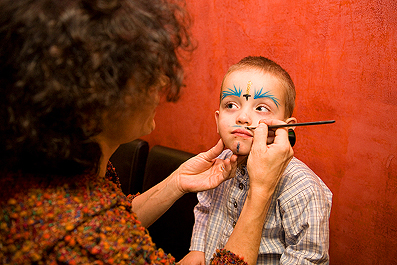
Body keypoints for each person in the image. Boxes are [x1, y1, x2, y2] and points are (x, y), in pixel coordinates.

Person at [0, 1, 294, 265]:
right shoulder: (84, 239)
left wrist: (176, 183)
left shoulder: (63, 171)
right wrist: (261, 191)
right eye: (144, 72)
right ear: (93, 98)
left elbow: (111, 218)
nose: (162, 82)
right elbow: (98, 231)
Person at [181, 56, 333, 264]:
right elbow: (205, 208)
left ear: (286, 128)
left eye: (261, 108)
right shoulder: (219, 164)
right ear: (217, 121)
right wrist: (197, 250)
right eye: (231, 104)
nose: (242, 117)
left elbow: (308, 257)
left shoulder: (302, 188)